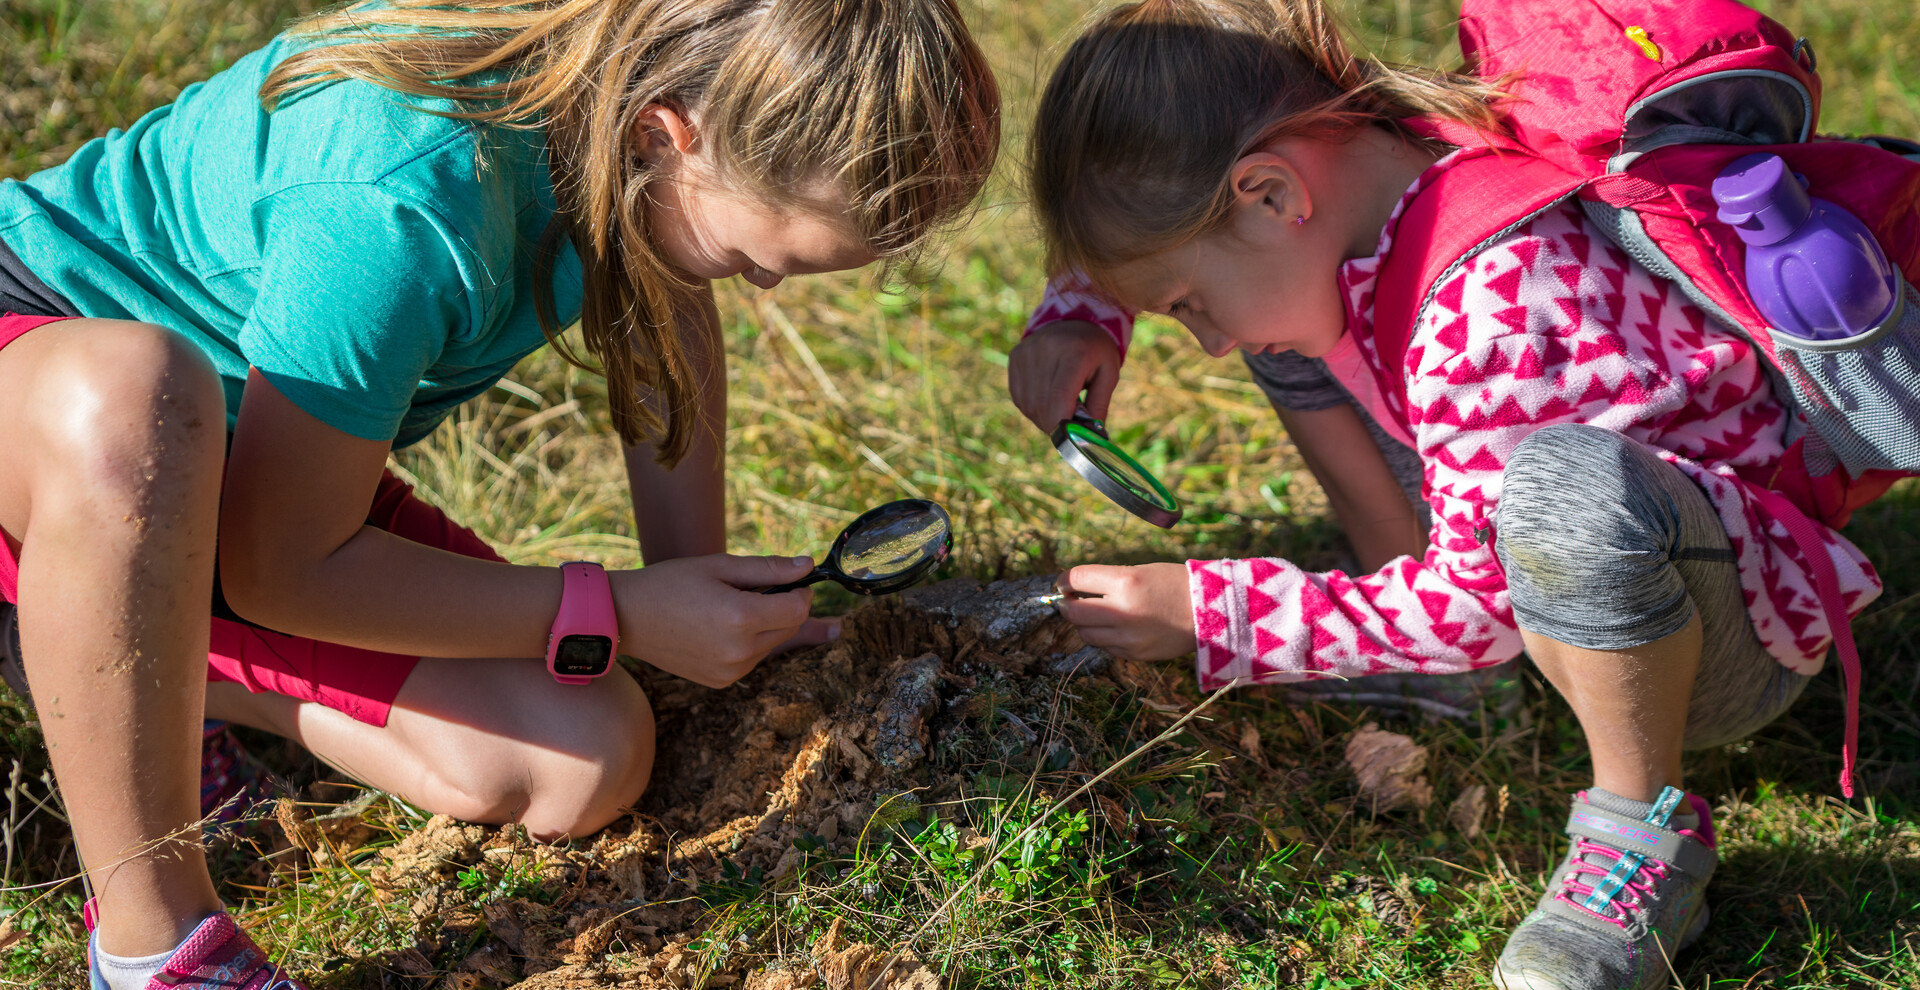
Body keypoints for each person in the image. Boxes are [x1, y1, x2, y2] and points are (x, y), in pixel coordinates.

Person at [0, 1, 999, 986]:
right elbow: (284, 568)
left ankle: (126, 666)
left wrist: (689, 583)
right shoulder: (400, 203)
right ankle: (154, 944)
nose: (760, 288)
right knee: (135, 401)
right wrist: (621, 614)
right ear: (666, 132)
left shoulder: (631, 107)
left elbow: (667, 298)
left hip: (229, 479)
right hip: (62, 421)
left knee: (584, 757)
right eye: (750, 260)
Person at [1009, 1, 1879, 987]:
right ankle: (1418, 627)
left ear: (1266, 194)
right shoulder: (1378, 155)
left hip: (1724, 636)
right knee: (1284, 329)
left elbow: (1480, 608)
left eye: (1187, 307)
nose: (1205, 339)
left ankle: (1641, 834)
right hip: (1605, 549)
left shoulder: (1497, 313)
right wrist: (1086, 307)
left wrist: (1216, 615)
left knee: (1561, 493)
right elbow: (1170, 178)